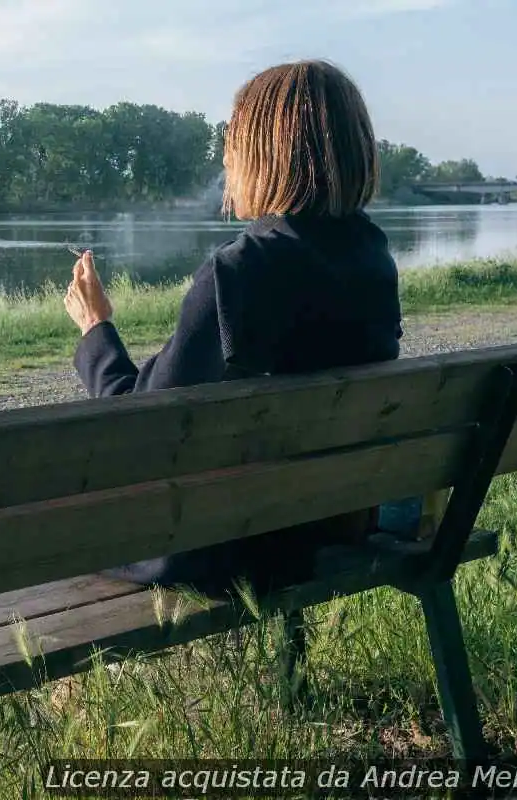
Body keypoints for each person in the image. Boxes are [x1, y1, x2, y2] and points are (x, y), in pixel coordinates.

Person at [63, 60, 404, 594]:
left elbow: (141, 425)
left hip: (227, 544)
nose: (227, 161)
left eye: (233, 143)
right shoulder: (373, 256)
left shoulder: (239, 272)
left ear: (263, 154)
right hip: (324, 526)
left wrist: (96, 330)